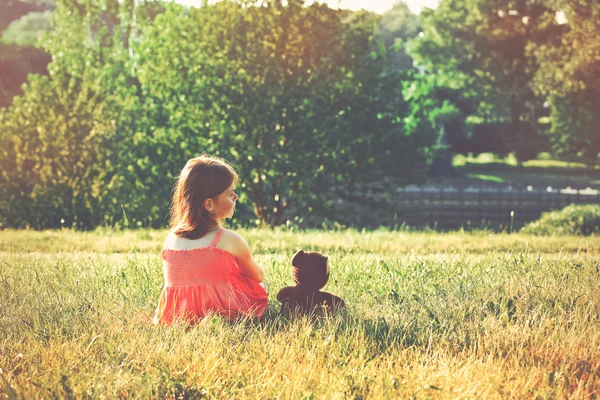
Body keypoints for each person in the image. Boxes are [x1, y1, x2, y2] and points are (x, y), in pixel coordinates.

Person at [153, 154, 268, 325]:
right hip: (223, 313)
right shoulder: (229, 240)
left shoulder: (171, 238)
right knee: (261, 285)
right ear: (209, 205)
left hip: (177, 315)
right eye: (230, 194)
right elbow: (257, 275)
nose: (236, 197)